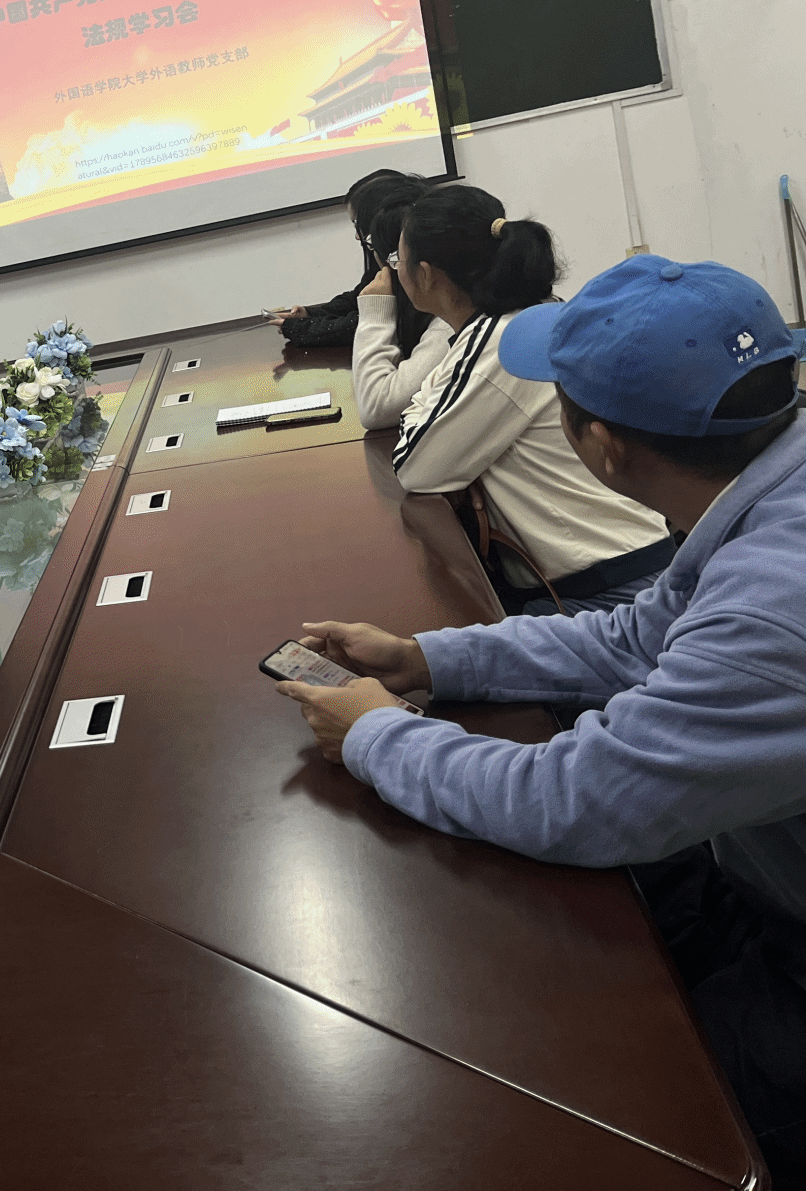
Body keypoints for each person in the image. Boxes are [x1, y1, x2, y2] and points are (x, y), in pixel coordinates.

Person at [274, 255, 806, 1185]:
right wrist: (429, 658)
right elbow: (637, 638)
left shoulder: (771, 607)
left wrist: (374, 734)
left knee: (615, 1111)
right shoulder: (765, 493)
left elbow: (580, 801)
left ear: (601, 446)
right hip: (764, 876)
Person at [386, 184, 672, 614]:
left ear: (426, 274)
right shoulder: (532, 314)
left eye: (397, 260)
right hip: (629, 562)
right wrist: (426, 408)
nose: (396, 270)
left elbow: (416, 466)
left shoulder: (500, 344)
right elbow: (425, 405)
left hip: (601, 589)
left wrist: (422, 411)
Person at [270, 169, 420, 348]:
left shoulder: (403, 265)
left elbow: (361, 324)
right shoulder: (386, 262)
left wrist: (300, 329)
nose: (357, 236)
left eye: (358, 224)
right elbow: (358, 298)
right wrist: (311, 314)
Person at [349, 189, 446, 429]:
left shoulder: (450, 327)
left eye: (396, 261)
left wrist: (375, 314)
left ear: (424, 271)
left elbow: (376, 408)